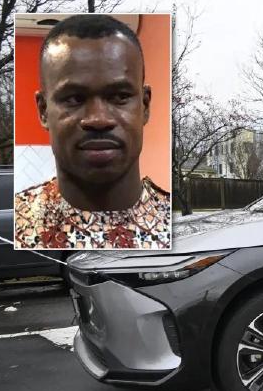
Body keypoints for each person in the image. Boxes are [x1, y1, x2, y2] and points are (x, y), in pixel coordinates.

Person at [14, 14, 170, 250]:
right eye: (74, 98)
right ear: (43, 110)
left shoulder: (177, 226)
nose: (98, 119)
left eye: (119, 97)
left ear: (145, 106)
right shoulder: (15, 227)